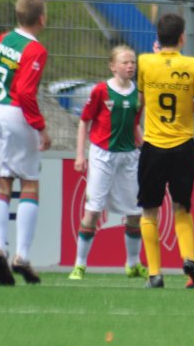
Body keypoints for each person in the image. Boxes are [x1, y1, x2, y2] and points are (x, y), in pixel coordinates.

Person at [0, 0, 52, 286]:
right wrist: (41, 127)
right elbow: (26, 93)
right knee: (29, 182)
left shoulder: (2, 40)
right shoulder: (36, 50)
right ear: (41, 18)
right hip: (16, 114)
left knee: (0, 181)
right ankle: (21, 255)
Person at [137, 13, 194, 288]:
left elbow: (141, 100)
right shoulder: (193, 65)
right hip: (182, 148)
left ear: (158, 37)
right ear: (182, 38)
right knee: (182, 207)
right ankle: (188, 257)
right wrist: (182, 96)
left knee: (149, 210)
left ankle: (154, 273)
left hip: (153, 145)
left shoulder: (145, 62)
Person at [68, 45, 148, 281]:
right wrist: (80, 155)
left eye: (133, 62)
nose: (130, 66)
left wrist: (147, 148)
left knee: (135, 213)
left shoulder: (138, 94)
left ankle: (132, 264)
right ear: (112, 67)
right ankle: (79, 265)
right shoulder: (101, 91)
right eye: (125, 62)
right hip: (102, 155)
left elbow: (134, 125)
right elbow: (84, 121)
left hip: (129, 158)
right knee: (92, 211)